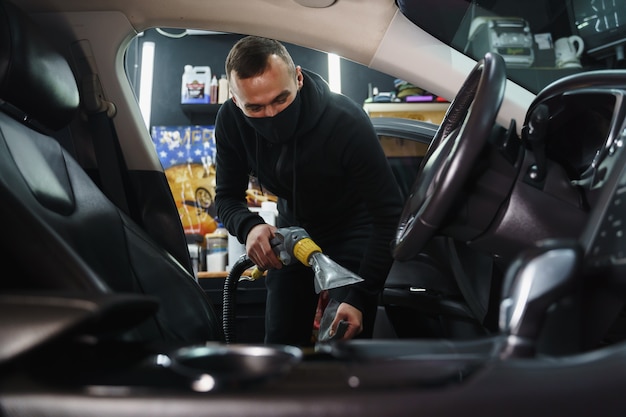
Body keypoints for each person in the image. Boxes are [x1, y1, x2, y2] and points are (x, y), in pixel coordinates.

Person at [214, 36, 403, 346]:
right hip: (294, 231)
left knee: (344, 344)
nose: (272, 115)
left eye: (280, 99)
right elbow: (226, 198)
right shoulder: (231, 122)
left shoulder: (345, 121)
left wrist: (360, 296)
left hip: (355, 229)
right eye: (255, 107)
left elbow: (389, 214)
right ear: (236, 100)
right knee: (281, 341)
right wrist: (249, 227)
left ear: (298, 78)